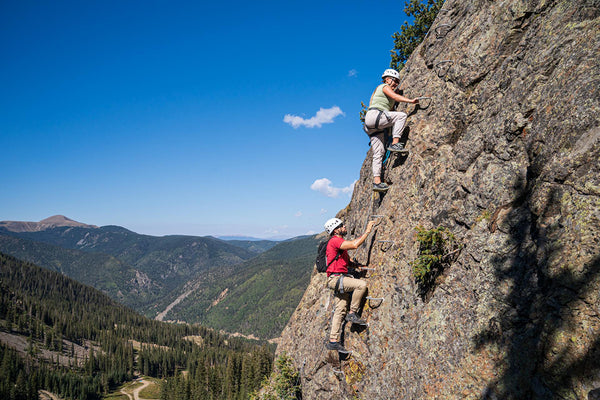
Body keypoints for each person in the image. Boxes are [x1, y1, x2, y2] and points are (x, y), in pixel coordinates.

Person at [323, 217, 376, 353]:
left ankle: (333, 341)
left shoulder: (338, 245)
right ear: (336, 230)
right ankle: (352, 313)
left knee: (340, 309)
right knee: (361, 285)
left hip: (336, 279)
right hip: (336, 279)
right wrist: (368, 231)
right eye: (342, 225)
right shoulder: (335, 241)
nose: (345, 226)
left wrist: (357, 266)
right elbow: (354, 244)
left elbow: (346, 262)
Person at [364, 68, 420, 192]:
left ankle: (377, 182)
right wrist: (411, 101)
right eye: (394, 81)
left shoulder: (382, 91)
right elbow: (395, 96)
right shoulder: (384, 86)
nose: (395, 84)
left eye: (397, 83)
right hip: (375, 116)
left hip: (371, 124)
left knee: (379, 153)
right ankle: (395, 143)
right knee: (401, 116)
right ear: (388, 79)